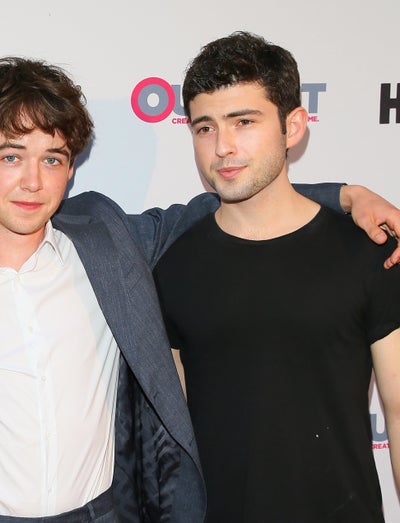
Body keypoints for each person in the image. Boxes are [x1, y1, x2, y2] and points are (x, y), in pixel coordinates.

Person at [0, 56, 400, 523]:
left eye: (52, 159)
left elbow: (239, 198)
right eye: (11, 156)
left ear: (71, 168)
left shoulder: (109, 240)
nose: (32, 182)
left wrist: (345, 196)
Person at [153, 31, 400, 522]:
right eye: (205, 127)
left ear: (293, 127)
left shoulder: (369, 252)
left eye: (244, 122)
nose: (223, 147)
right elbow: (173, 440)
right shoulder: (173, 267)